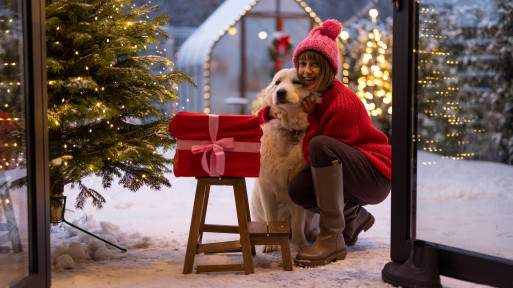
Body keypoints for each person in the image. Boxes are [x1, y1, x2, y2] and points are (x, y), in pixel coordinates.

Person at [257, 19, 391, 267]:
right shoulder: (314, 95)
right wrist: (270, 113)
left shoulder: (342, 103)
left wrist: (311, 123)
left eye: (315, 64)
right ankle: (354, 217)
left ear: (329, 67)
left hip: (373, 174)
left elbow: (317, 153)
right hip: (348, 168)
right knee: (298, 188)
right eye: (303, 64)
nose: (307, 70)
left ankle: (331, 239)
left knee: (319, 145)